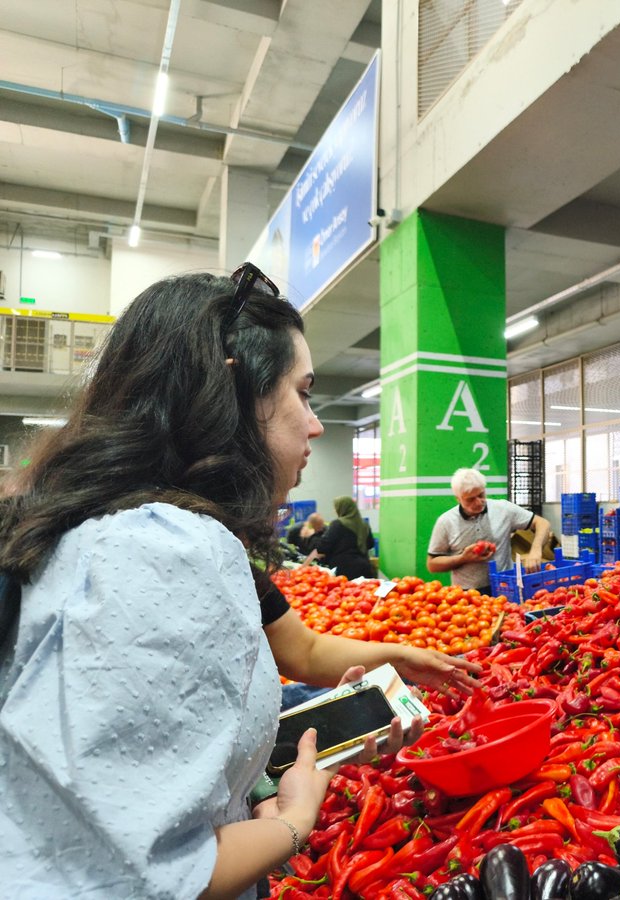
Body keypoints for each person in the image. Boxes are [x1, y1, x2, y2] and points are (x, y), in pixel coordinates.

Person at [0, 265, 478, 899]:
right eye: (302, 393)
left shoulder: (104, 525)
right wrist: (294, 821)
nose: (315, 424)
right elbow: (153, 875)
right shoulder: (168, 550)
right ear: (239, 393)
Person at [427, 467, 551, 591]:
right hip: (467, 595)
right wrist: (463, 558)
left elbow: (542, 523)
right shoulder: (446, 522)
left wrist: (536, 549)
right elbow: (432, 565)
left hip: (505, 588)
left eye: (481, 495)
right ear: (458, 498)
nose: (477, 502)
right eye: (470, 499)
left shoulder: (503, 509)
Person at [311, 496, 375, 579]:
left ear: (342, 508)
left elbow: (322, 547)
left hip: (343, 571)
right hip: (364, 568)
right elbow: (370, 544)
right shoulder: (364, 524)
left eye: (336, 508)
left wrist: (314, 533)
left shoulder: (338, 524)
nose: (335, 511)